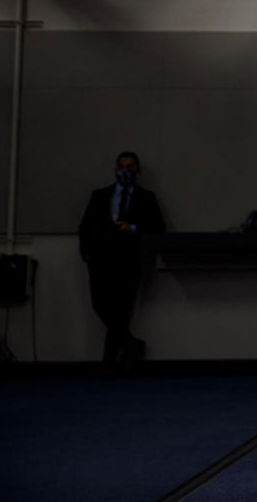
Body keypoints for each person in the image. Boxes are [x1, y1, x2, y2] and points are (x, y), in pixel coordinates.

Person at [78, 151, 166, 374]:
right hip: (100, 258)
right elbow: (85, 226)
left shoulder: (147, 198)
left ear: (137, 171)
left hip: (129, 260)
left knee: (120, 310)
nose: (125, 171)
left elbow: (158, 227)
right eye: (122, 166)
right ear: (115, 168)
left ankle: (109, 361)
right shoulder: (99, 196)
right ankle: (131, 344)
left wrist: (133, 228)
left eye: (130, 167)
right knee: (100, 304)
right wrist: (86, 253)